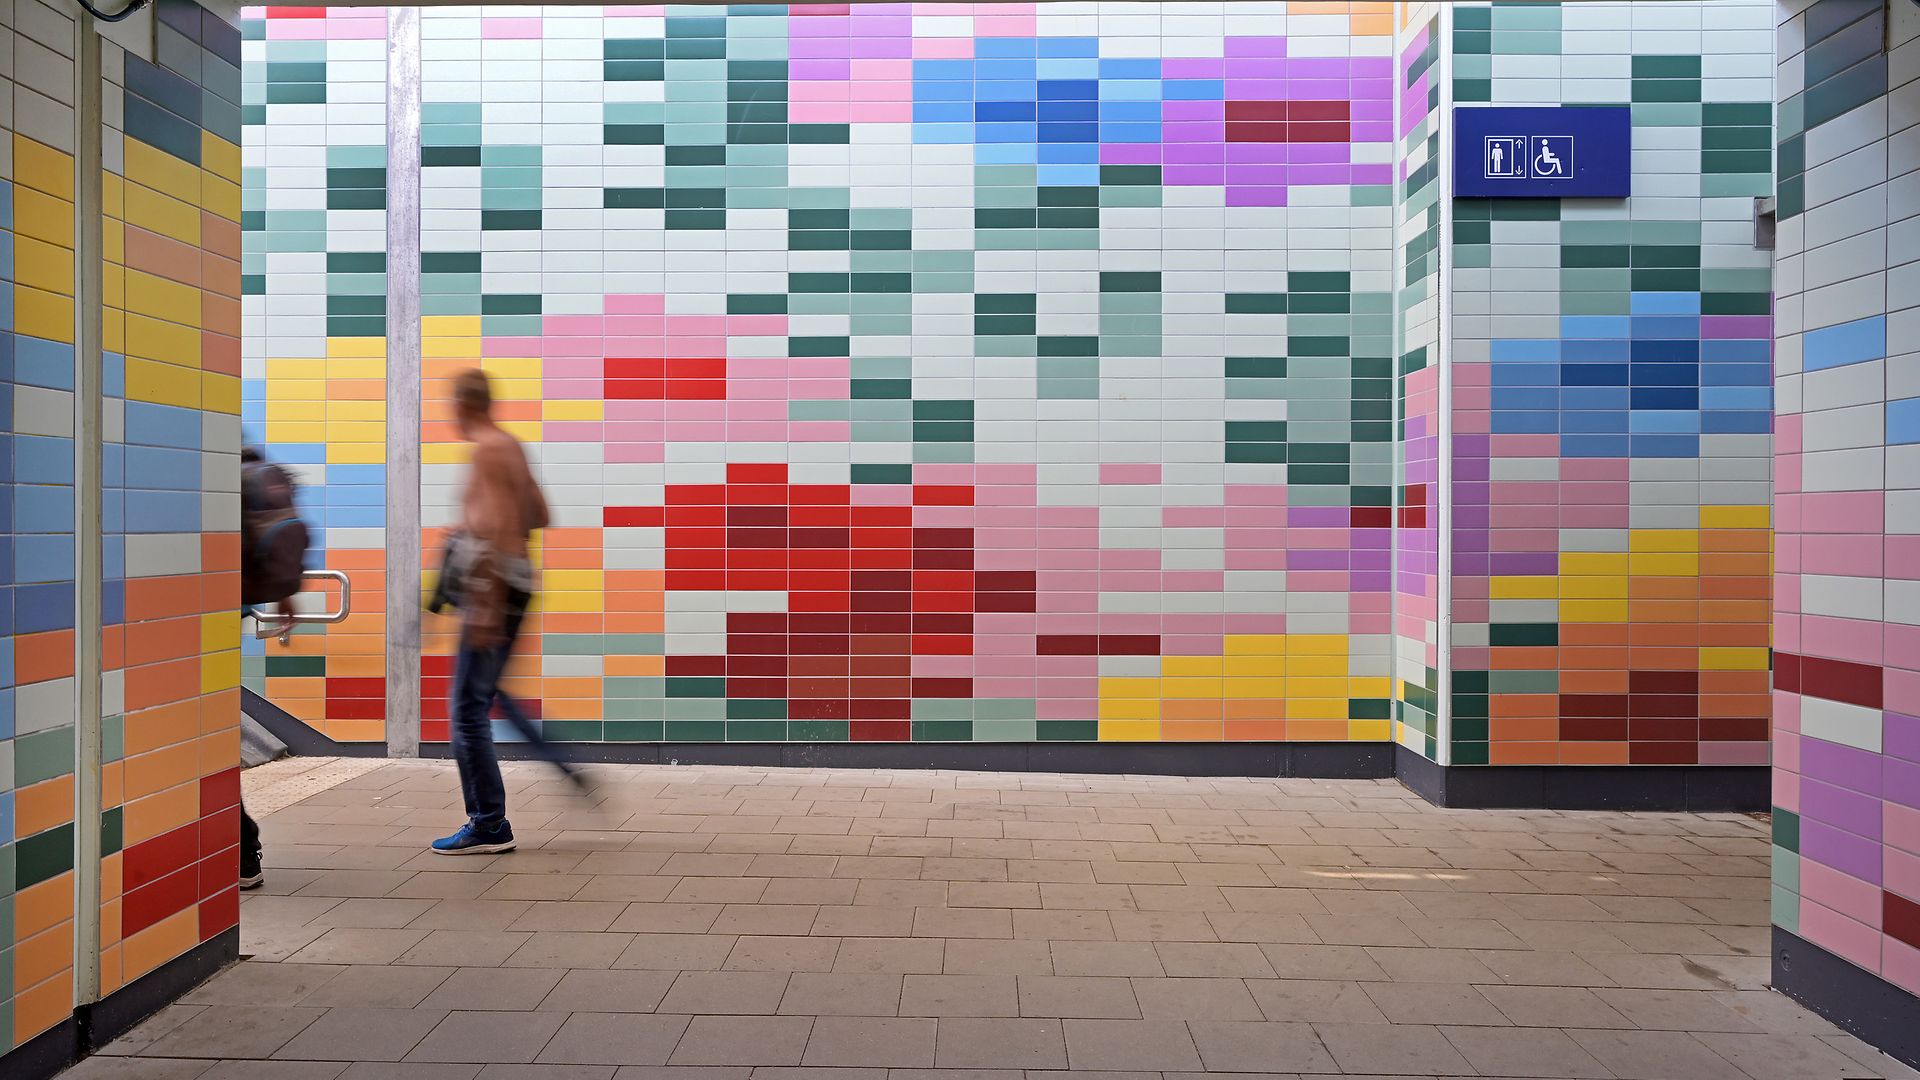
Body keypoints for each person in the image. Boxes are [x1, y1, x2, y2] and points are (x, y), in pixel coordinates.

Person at [432, 368, 559, 855]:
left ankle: (488, 823)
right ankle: (556, 771)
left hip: (495, 593)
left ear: (464, 405)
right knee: (483, 697)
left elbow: (502, 528)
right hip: (516, 586)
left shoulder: (486, 448)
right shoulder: (509, 444)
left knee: (467, 710)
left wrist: (485, 603)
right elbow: (539, 514)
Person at [238, 444, 312, 889]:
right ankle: (244, 853)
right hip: (235, 610)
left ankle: (242, 850)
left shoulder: (207, 472)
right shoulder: (257, 473)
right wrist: (283, 591)